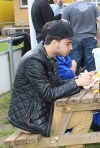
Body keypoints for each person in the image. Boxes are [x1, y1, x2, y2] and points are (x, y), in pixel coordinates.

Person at [7, 20, 94, 148]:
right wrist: (76, 83)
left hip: (42, 109)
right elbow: (48, 94)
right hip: (30, 117)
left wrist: (80, 82)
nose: (71, 48)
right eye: (68, 43)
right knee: (84, 116)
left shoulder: (49, 57)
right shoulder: (34, 60)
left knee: (85, 115)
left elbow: (57, 84)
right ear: (55, 42)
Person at [62, 0, 100, 74]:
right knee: (91, 65)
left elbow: (63, 26)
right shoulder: (92, 6)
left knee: (74, 64)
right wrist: (98, 37)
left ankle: (75, 85)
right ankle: (93, 84)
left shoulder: (68, 8)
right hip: (90, 38)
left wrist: (66, 41)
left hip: (75, 39)